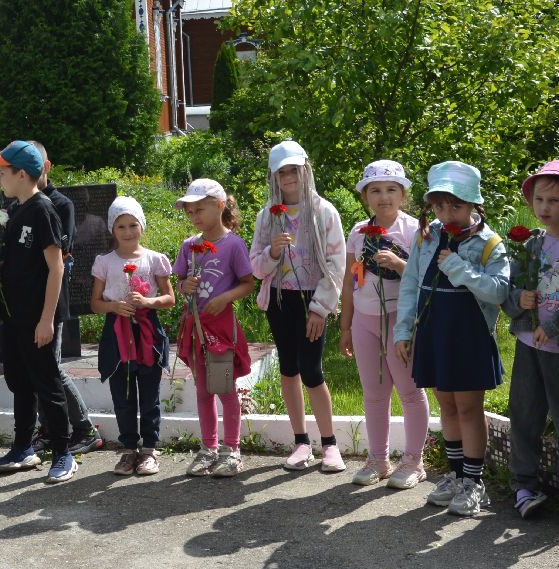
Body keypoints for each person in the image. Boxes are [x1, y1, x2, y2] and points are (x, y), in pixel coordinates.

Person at [393, 162, 510, 518]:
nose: (447, 215)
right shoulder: (427, 236)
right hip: (434, 332)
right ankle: (457, 476)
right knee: (447, 405)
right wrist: (404, 330)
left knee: (469, 407)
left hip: (468, 336)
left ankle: (474, 482)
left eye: (456, 206)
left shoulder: (489, 243)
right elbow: (411, 283)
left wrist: (460, 268)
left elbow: (499, 291)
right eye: (440, 206)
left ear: (474, 204)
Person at [502, 161, 559, 533]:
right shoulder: (532, 245)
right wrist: (517, 299)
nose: (544, 207)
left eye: (554, 200)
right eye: (539, 199)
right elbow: (509, 288)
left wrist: (554, 327)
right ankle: (524, 486)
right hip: (528, 345)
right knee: (524, 414)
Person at [250, 140, 347, 473]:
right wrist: (273, 252)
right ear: (273, 177)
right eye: (282, 172)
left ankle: (330, 444)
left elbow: (336, 263)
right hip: (280, 299)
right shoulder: (268, 216)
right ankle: (301, 442)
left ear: (305, 170)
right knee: (289, 369)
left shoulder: (323, 211)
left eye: (294, 170)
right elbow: (256, 267)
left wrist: (320, 307)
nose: (289, 177)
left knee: (312, 370)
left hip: (311, 300)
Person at [0, 141, 76, 484]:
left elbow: (56, 268)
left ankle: (63, 453)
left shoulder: (42, 210)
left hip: (37, 316)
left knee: (46, 383)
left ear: (22, 174)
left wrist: (47, 320)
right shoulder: (16, 208)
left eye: (3, 171)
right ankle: (23, 447)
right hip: (15, 314)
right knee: (19, 382)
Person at [338, 160, 427, 488]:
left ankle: (414, 460)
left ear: (403, 195)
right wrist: (345, 326)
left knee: (410, 391)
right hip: (364, 321)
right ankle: (378, 458)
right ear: (365, 197)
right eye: (375, 190)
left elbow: (424, 278)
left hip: (400, 321)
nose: (383, 197)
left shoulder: (415, 230)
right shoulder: (358, 231)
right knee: (374, 393)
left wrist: (400, 263)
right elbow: (349, 281)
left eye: (391, 189)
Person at [172, 178, 256, 478]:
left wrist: (225, 298)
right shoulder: (189, 246)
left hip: (220, 329)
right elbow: (179, 281)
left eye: (199, 209)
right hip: (195, 327)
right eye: (189, 211)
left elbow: (248, 283)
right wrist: (184, 285)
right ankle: (208, 448)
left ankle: (231, 450)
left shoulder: (233, 244)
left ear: (220, 206)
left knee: (224, 388)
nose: (194, 216)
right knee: (203, 389)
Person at [90, 196, 174, 476]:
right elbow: (95, 303)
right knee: (122, 394)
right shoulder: (105, 262)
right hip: (117, 331)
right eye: (121, 226)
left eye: (133, 225)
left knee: (149, 395)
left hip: (147, 331)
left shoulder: (154, 259)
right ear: (112, 230)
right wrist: (114, 306)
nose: (128, 232)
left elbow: (169, 298)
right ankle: (128, 449)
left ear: (142, 225)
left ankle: (149, 449)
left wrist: (147, 302)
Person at [28, 141, 103, 456]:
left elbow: (61, 249)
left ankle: (84, 428)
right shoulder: (19, 204)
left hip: (50, 297)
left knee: (51, 367)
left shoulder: (61, 204)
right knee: (35, 368)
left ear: (47, 166)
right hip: (26, 300)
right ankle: (49, 428)